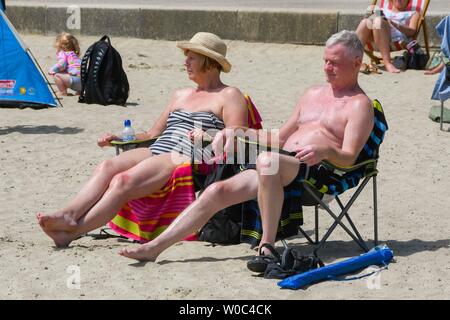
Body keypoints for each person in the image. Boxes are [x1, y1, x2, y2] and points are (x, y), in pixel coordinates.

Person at [118, 30, 375, 266]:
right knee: (216, 190)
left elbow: (348, 158)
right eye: (325, 61)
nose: (327, 68)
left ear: (355, 63)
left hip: (318, 170)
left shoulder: (359, 105)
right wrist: (233, 131)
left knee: (265, 161)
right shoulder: (312, 94)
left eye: (335, 63)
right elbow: (279, 139)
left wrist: (326, 152)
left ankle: (267, 245)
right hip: (279, 163)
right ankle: (155, 247)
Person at [37, 32, 248, 247]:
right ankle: (69, 214)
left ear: (210, 62)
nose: (185, 62)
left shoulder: (230, 95)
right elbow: (151, 134)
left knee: (122, 181)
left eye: (191, 57)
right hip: (158, 147)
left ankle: (72, 231)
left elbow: (239, 136)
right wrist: (120, 137)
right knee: (107, 166)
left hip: (185, 156)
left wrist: (210, 136)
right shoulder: (180, 95)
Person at [356, 0, 420, 73]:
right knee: (366, 21)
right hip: (375, 36)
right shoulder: (383, 10)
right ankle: (355, 61)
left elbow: (412, 32)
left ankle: (388, 63)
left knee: (378, 21)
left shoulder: (413, 14)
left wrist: (395, 24)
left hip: (393, 40)